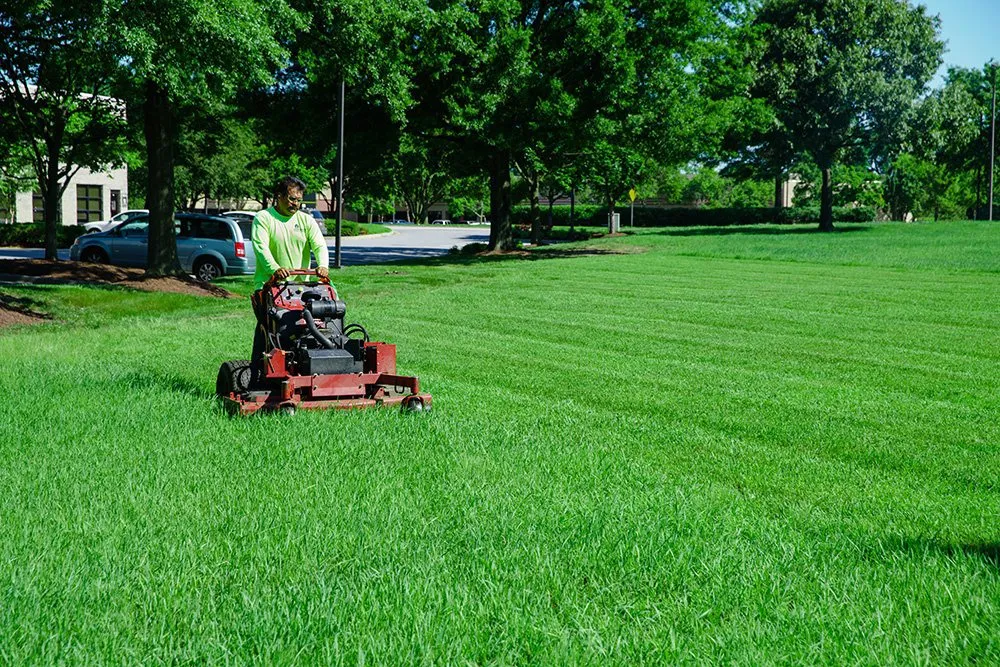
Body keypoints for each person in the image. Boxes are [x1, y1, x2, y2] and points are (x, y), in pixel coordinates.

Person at [249, 176, 331, 386]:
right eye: (291, 198)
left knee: (320, 323)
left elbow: (319, 245)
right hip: (270, 288)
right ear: (279, 196)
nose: (295, 203)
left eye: (298, 200)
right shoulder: (264, 218)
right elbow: (261, 248)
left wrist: (322, 266)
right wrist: (275, 270)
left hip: (301, 288)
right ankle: (258, 378)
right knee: (272, 331)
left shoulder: (305, 220)